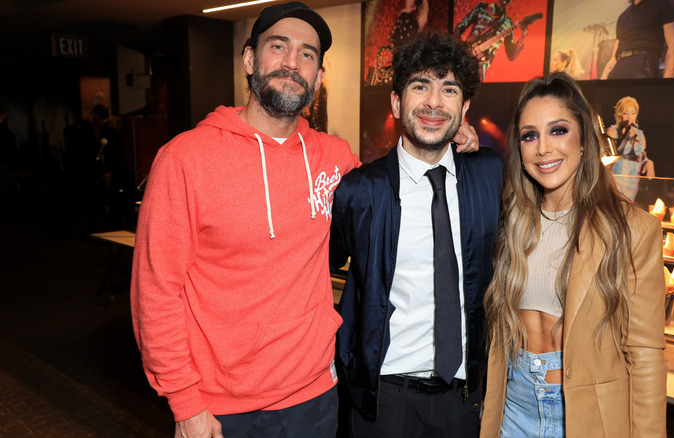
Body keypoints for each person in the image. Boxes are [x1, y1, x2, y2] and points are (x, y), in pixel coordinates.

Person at [131, 3, 479, 437]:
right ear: (249, 59)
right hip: (222, 409)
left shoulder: (334, 159)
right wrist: (184, 403)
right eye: (279, 47)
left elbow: (390, 182)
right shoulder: (185, 159)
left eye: (308, 55)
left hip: (316, 394)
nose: (293, 63)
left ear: (318, 76)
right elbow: (156, 293)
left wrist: (444, 132)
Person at [331, 31, 503, 438]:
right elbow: (317, 269)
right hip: (384, 400)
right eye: (420, 85)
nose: (433, 102)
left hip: (465, 400)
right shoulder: (359, 191)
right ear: (396, 101)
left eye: (449, 89)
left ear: (465, 108)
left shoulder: (490, 174)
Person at [480, 73, 667, 437]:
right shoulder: (511, 222)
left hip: (584, 414)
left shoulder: (632, 229)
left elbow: (645, 355)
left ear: (584, 140)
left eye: (558, 130)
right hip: (513, 405)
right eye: (529, 135)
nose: (543, 149)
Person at [601, 0, 674, 79]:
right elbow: (613, 57)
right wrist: (603, 82)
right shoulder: (623, 16)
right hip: (619, 65)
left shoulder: (665, 4)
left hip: (642, 63)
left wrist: (666, 86)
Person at [454, 0, 530, 79]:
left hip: (480, 70)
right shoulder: (482, 7)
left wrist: (524, 34)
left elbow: (511, 55)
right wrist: (462, 50)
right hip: (464, 59)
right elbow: (458, 28)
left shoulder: (508, 22)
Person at [606, 96, 655, 201]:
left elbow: (643, 156)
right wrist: (626, 131)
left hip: (633, 181)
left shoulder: (640, 134)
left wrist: (648, 162)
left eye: (633, 113)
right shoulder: (612, 132)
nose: (629, 117)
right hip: (617, 180)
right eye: (625, 113)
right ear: (620, 114)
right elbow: (612, 156)